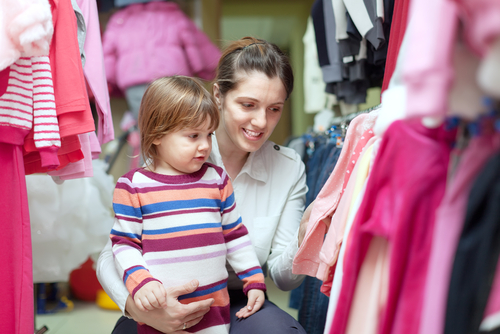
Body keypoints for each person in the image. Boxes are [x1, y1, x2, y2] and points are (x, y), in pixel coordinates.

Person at [97, 37, 311, 334]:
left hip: (234, 300)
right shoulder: (173, 154)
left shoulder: (288, 167)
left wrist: (306, 237)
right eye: (248, 105)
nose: (261, 122)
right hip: (157, 300)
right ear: (218, 95)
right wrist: (137, 306)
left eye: (274, 109)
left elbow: (282, 276)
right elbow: (115, 252)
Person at [110, 76, 267, 334]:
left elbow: (235, 235)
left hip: (214, 312)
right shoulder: (133, 186)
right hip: (158, 311)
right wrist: (141, 282)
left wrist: (254, 280)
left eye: (209, 134)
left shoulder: (217, 179)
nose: (205, 145)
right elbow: (124, 244)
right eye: (193, 135)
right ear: (158, 134)